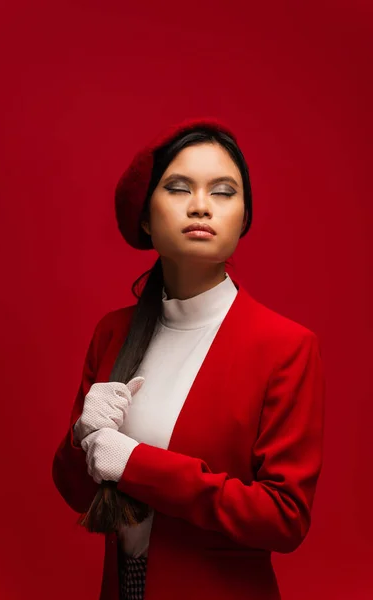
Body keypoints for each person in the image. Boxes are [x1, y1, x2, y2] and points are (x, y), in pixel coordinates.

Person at [52, 117, 326, 600]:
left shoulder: (285, 347)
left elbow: (285, 518)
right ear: (144, 216)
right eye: (178, 188)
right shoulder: (112, 333)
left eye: (223, 192)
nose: (201, 206)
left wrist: (137, 464)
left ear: (243, 218)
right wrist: (81, 439)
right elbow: (78, 493)